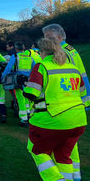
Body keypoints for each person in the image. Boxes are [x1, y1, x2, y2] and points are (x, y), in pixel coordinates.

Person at [24, 38, 88, 181]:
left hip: (52, 119)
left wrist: (25, 86)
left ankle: (55, 178)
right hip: (78, 120)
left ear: (43, 52)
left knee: (36, 149)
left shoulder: (42, 66)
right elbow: (82, 92)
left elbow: (31, 93)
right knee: (63, 156)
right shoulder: (72, 67)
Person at [42, 23, 90, 181]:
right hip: (76, 101)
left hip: (67, 103)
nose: (46, 40)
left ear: (60, 37)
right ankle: (74, 174)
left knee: (68, 144)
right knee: (70, 142)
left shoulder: (61, 52)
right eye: (45, 37)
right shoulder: (70, 50)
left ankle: (72, 175)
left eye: (49, 37)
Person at [1, 42, 38, 126]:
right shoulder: (30, 57)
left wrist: (3, 76)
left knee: (20, 99)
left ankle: (23, 119)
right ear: (24, 48)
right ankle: (29, 115)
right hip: (28, 81)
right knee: (27, 99)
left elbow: (8, 68)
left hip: (18, 80)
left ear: (16, 49)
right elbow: (35, 68)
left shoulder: (15, 56)